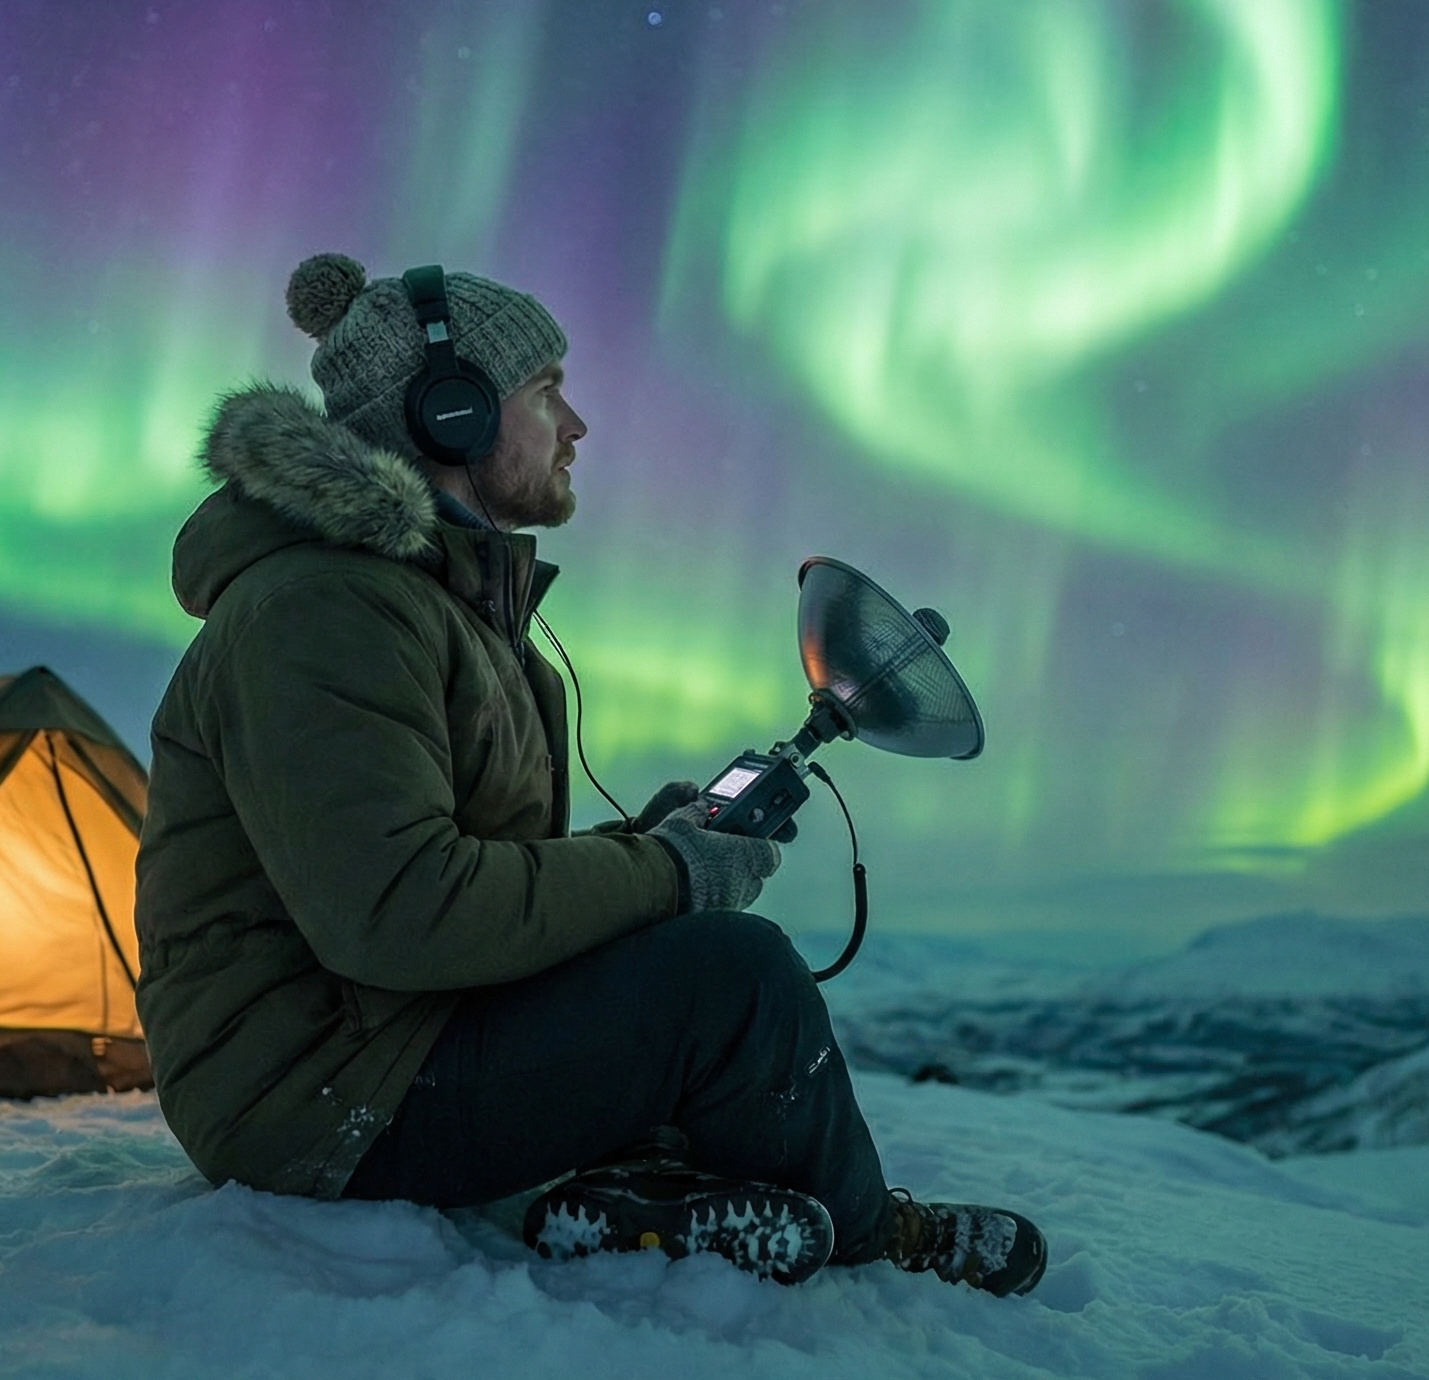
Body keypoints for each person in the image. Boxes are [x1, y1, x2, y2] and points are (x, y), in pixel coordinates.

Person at [134, 252, 1045, 1295]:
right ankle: (875, 1239)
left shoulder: (445, 615)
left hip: (389, 1039)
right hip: (312, 1096)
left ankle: (644, 1194)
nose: (575, 425)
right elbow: (397, 911)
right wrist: (663, 871)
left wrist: (639, 853)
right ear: (451, 415)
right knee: (733, 977)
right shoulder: (324, 611)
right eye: (545, 390)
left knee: (665, 937)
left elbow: (475, 875)